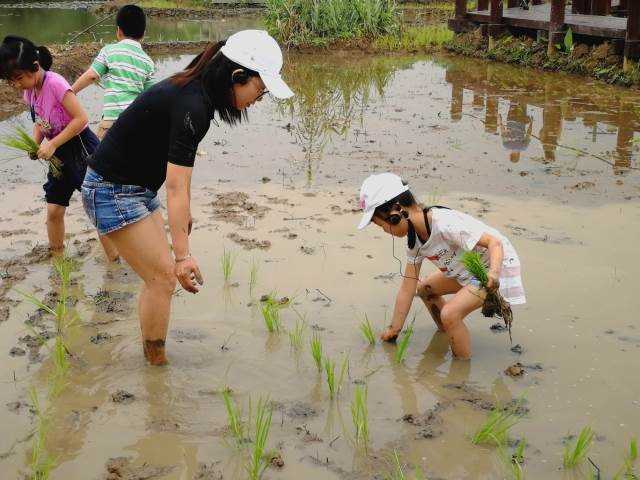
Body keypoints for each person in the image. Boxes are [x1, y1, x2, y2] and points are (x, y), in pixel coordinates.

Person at [81, 30, 294, 366]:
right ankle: (156, 364)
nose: (258, 99)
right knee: (163, 277)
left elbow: (176, 178)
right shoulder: (193, 104)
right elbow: (177, 186)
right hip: (112, 191)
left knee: (157, 280)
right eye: (260, 90)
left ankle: (153, 354)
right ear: (238, 76)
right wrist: (183, 256)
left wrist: (182, 220)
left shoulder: (195, 95)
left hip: (134, 188)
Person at [357, 173, 526, 359]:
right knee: (424, 289)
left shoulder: (444, 223)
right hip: (466, 270)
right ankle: (449, 332)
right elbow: (408, 287)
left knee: (450, 314)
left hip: (494, 267)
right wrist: (394, 329)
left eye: (382, 225)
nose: (385, 231)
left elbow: (495, 243)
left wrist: (494, 274)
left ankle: (460, 371)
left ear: (396, 213)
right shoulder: (415, 241)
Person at [0, 35, 118, 260]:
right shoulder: (30, 90)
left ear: (35, 67)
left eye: (18, 78)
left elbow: (81, 119)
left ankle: (115, 263)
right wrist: (35, 144)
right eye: (10, 81)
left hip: (81, 149)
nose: (16, 84)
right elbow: (41, 121)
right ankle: (57, 259)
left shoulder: (55, 84)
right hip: (59, 156)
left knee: (98, 209)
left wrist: (52, 143)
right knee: (54, 209)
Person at [72, 4, 155, 140]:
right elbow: (151, 95)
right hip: (136, 123)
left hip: (112, 122)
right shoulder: (148, 62)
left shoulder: (109, 51)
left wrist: (70, 92)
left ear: (118, 31)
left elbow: (92, 75)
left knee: (100, 159)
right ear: (143, 34)